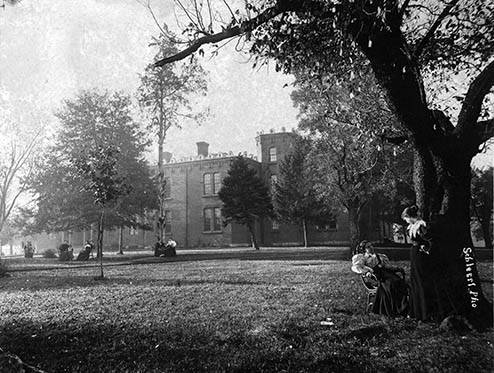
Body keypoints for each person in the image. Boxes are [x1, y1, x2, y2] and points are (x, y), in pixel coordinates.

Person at [351, 240, 409, 317]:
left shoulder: (379, 256)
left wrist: (397, 269)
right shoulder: (363, 258)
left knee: (399, 282)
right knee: (391, 285)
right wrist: (367, 271)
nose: (371, 248)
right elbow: (358, 267)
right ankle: (395, 309)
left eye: (371, 246)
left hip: (386, 274)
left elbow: (387, 267)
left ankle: (404, 308)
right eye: (368, 247)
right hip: (377, 277)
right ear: (364, 249)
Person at [401, 205, 438, 321]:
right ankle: (416, 311)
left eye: (406, 219)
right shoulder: (412, 226)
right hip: (415, 254)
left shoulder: (421, 225)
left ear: (410, 217)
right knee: (415, 281)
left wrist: (427, 248)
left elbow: (432, 240)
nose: (406, 221)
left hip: (421, 256)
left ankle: (425, 311)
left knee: (422, 281)